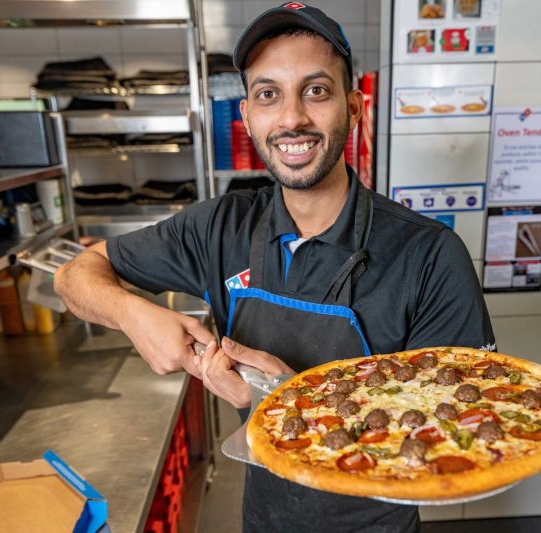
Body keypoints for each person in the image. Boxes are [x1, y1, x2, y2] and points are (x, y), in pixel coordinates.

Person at [54, 3, 495, 532]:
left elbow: (459, 438)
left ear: (353, 108)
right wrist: (132, 314)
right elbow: (75, 275)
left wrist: (287, 405)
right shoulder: (219, 226)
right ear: (247, 116)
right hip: (265, 517)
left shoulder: (429, 255)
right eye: (269, 94)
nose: (291, 119)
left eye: (316, 90)